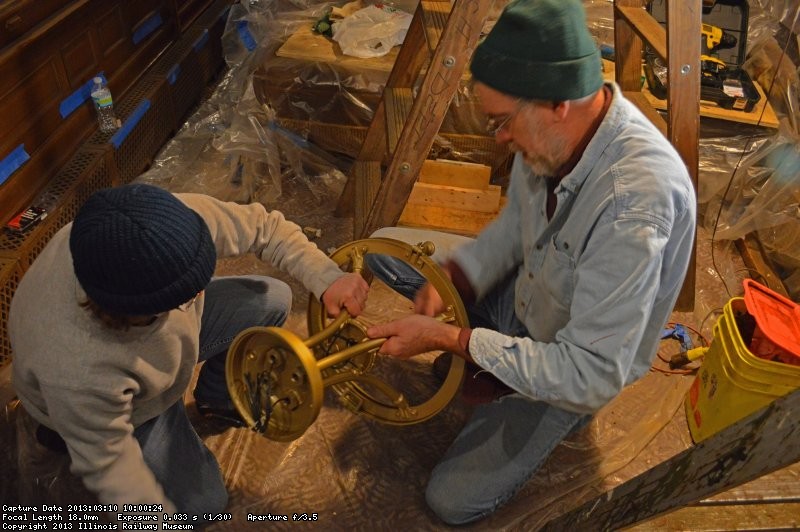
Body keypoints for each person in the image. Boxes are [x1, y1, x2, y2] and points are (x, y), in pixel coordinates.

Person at [365, 0, 696, 525]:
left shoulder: (635, 204)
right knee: (386, 248)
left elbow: (592, 371)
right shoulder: (553, 135)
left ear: (558, 103)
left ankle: (539, 399)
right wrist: (458, 278)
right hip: (537, 287)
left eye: (502, 121)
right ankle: (494, 350)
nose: (499, 139)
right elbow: (514, 230)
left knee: (450, 502)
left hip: (575, 354)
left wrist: (455, 340)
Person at [9, 183, 368, 516]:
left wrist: (327, 278)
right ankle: (61, 434)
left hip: (153, 353)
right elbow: (114, 473)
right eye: (186, 293)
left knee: (272, 298)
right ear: (135, 309)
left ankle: (218, 397)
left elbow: (265, 227)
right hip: (131, 407)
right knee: (204, 505)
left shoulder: (157, 224)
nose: (200, 294)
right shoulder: (75, 368)